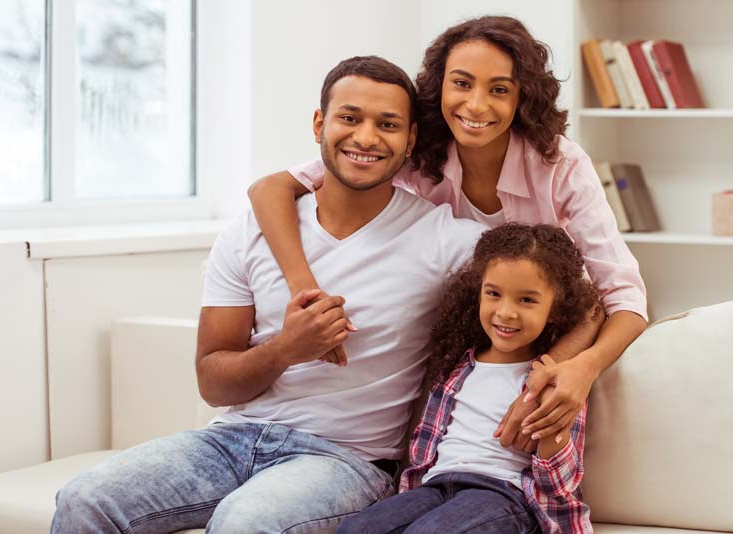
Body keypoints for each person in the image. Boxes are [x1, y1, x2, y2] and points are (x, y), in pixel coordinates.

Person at [50, 56, 489, 534]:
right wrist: (287, 348)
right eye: (349, 117)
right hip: (232, 439)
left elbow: (560, 271)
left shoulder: (446, 240)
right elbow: (214, 383)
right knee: (84, 498)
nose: (365, 138)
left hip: (349, 460)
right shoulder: (250, 233)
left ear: (410, 141)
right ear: (320, 123)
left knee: (245, 523)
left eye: (387, 124)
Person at [247, 15, 647, 449]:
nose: (476, 106)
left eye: (499, 89)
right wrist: (305, 290)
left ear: (522, 97)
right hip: (453, 333)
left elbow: (621, 297)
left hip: (545, 328)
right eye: (461, 84)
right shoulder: (410, 152)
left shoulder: (559, 165)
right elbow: (269, 189)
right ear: (439, 87)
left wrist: (578, 367)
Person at [337, 223, 598, 534]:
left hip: (502, 495)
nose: (506, 312)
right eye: (494, 294)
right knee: (354, 529)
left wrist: (550, 428)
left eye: (526, 300)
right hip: (437, 487)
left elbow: (561, 480)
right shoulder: (460, 366)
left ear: (555, 308)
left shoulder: (555, 379)